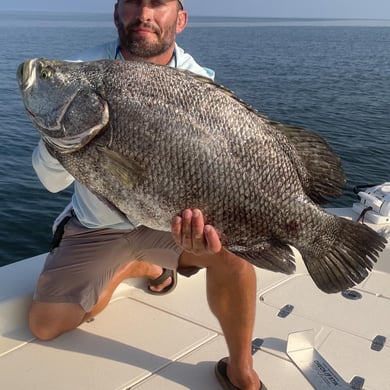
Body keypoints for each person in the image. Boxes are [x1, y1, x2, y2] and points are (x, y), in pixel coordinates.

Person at [29, 1, 263, 389]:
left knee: (235, 260)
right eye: (133, 2)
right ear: (117, 14)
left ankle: (241, 368)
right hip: (96, 226)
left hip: (169, 225)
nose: (144, 14)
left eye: (158, 3)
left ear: (181, 19)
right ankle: (134, 266)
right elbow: (51, 182)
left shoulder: (198, 83)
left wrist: (205, 226)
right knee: (45, 325)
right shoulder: (80, 76)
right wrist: (67, 133)